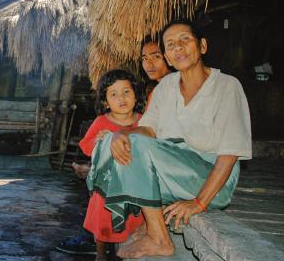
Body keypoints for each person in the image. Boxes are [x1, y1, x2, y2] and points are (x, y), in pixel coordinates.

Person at [88, 19, 252, 259]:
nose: (178, 48)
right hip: (175, 176)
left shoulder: (226, 86)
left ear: (202, 46)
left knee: (136, 146)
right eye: (171, 45)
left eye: (185, 39)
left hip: (212, 181)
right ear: (168, 56)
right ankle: (149, 220)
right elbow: (149, 130)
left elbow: (229, 155)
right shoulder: (166, 86)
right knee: (107, 141)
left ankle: (159, 237)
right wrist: (119, 133)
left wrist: (198, 203)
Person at [57, 39, 171, 257]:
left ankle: (128, 247)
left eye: (127, 92)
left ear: (136, 95)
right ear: (106, 101)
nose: (121, 98)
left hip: (133, 184)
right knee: (103, 223)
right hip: (106, 187)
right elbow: (87, 146)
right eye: (114, 94)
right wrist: (101, 143)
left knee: (131, 221)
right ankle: (100, 254)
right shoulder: (101, 121)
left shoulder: (143, 121)